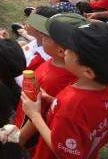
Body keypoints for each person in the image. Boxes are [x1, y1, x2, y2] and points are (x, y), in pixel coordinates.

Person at [22, 19, 108, 159]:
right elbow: (90, 127)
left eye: (70, 49)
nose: (65, 50)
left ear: (88, 72)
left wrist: (34, 115)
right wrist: (54, 101)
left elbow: (62, 152)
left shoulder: (73, 105)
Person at [15, 14, 80, 144]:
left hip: (28, 131)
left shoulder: (55, 80)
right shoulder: (54, 61)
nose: (41, 36)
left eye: (45, 36)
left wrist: (19, 139)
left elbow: (39, 117)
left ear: (61, 51)